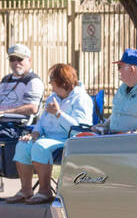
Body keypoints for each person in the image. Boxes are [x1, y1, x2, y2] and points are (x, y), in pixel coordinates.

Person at [4, 63, 93, 204]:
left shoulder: (82, 99)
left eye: (52, 81)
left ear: (63, 82)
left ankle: (45, 191)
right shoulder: (53, 97)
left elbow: (80, 128)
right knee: (23, 144)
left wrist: (59, 113)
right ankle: (26, 190)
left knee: (40, 146)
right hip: (49, 137)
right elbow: (41, 121)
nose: (50, 84)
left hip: (69, 140)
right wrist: (35, 133)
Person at [0, 44, 43, 117]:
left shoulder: (33, 80)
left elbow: (32, 108)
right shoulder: (5, 79)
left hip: (16, 124)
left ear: (29, 60)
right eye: (12, 59)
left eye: (20, 59)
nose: (16, 63)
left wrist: (4, 112)